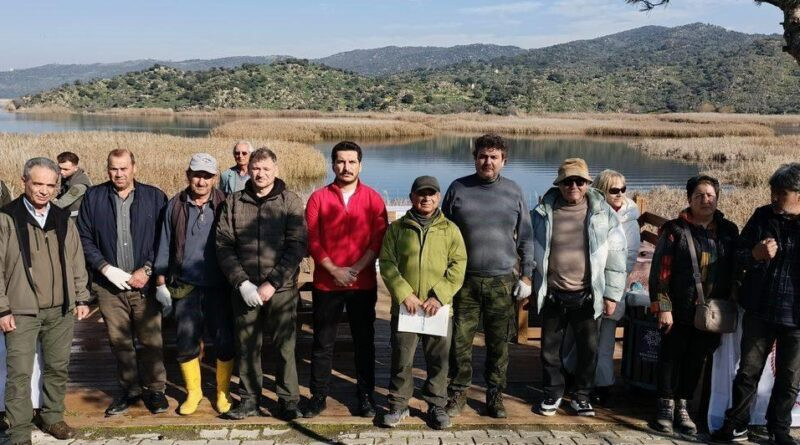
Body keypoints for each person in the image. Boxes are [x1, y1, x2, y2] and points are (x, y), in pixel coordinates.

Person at [443, 133, 535, 419]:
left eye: (494, 157)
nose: (488, 162)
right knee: (460, 341)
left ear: (503, 161)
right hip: (464, 281)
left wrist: (527, 277)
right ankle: (457, 392)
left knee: (498, 343)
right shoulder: (458, 188)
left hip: (501, 281)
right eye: (483, 156)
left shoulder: (514, 191)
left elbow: (527, 238)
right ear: (475, 158)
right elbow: (441, 232)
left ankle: (495, 394)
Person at [0, 157, 91, 444]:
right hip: (21, 310)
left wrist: (81, 297)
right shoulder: (7, 218)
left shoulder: (63, 217)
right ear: (23, 182)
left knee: (57, 366)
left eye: (50, 185)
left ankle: (52, 416)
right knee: (20, 373)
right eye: (37, 183)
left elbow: (77, 260)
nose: (44, 191)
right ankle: (18, 432)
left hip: (60, 310)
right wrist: (2, 307)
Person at [216, 147, 307, 421]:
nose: (261, 174)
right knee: (247, 346)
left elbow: (297, 246)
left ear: (275, 170)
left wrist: (272, 282)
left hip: (281, 290)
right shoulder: (233, 202)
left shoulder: (290, 201)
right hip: (244, 289)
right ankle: (249, 399)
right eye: (256, 168)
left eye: (266, 169)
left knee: (285, 346)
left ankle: (288, 400)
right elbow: (223, 245)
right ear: (248, 169)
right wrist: (242, 283)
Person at [712, 164, 800, 445]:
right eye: (773, 191)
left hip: (797, 316)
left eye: (781, 193)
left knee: (789, 379)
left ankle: (779, 430)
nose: (774, 197)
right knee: (748, 372)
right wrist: (755, 253)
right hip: (760, 309)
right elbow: (737, 254)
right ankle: (735, 425)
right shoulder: (762, 216)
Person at [531, 158, 627, 418]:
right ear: (559, 184)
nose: (573, 185)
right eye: (567, 181)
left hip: (588, 294)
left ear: (587, 184)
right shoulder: (541, 213)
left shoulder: (603, 214)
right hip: (552, 292)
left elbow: (617, 257)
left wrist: (611, 295)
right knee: (549, 350)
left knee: (588, 350)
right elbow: (528, 249)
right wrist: (528, 281)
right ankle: (552, 392)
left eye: (579, 181)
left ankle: (582, 396)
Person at [77, 149, 168, 416]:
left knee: (151, 340)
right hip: (109, 286)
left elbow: (164, 238)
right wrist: (105, 268)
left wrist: (148, 269)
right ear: (107, 169)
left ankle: (155, 390)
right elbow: (84, 238)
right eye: (114, 169)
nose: (119, 174)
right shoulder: (93, 197)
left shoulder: (155, 197)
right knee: (120, 342)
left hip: (145, 284)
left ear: (134, 168)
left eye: (124, 168)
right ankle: (130, 390)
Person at [303, 141, 388, 418]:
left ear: (360, 165)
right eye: (340, 161)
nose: (346, 167)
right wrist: (334, 270)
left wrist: (354, 269)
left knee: (364, 341)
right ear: (333, 164)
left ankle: (365, 395)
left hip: (362, 285)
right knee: (323, 342)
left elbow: (378, 239)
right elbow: (312, 239)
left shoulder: (374, 199)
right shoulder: (318, 198)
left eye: (352, 162)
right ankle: (318, 395)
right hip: (327, 284)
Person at [649, 175, 738, 435]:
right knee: (671, 356)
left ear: (717, 198)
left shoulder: (728, 231)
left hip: (712, 311)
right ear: (689, 199)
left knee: (696, 359)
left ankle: (683, 406)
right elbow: (660, 272)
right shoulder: (674, 230)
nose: (705, 200)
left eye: (710, 195)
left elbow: (737, 266)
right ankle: (664, 407)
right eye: (699, 195)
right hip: (679, 306)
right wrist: (663, 306)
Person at [379, 175, 467, 430]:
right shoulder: (397, 229)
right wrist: (404, 293)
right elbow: (387, 263)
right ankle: (398, 404)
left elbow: (458, 265)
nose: (426, 198)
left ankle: (436, 404)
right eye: (421, 193)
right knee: (401, 357)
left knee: (439, 360)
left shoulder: (450, 230)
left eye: (431, 193)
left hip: (438, 310)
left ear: (438, 197)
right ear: (412, 197)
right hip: (407, 308)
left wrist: (439, 295)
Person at [153, 153, 234, 415]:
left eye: (207, 176)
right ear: (188, 174)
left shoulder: (226, 204)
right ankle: (194, 392)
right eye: (197, 174)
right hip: (184, 285)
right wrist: (160, 282)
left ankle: (223, 392)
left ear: (215, 178)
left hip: (219, 285)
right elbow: (164, 244)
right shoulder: (174, 205)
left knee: (224, 340)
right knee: (186, 340)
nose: (201, 181)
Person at [562, 169, 641, 405]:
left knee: (604, 341)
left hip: (610, 290)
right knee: (580, 336)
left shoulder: (629, 222)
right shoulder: (589, 212)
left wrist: (610, 292)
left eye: (623, 190)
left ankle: (602, 384)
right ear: (601, 191)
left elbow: (627, 260)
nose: (619, 195)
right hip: (583, 287)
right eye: (613, 190)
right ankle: (573, 374)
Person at [53, 151, 92, 217]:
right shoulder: (68, 175)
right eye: (60, 168)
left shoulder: (79, 185)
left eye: (66, 169)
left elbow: (62, 203)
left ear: (76, 168)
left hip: (78, 219)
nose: (61, 172)